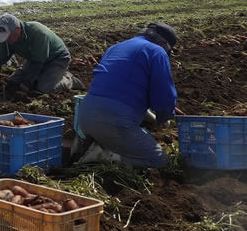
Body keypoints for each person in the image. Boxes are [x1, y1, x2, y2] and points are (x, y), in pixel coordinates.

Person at [74, 22, 180, 168]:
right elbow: (164, 95)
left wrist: (151, 118)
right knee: (159, 160)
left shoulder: (115, 48)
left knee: (126, 136)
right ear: (163, 43)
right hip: (113, 122)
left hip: (85, 117)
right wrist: (164, 117)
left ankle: (94, 144)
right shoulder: (157, 51)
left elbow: (120, 93)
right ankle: (102, 155)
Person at [0, 13, 83, 95]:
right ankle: (45, 77)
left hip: (57, 58)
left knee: (44, 88)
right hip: (34, 59)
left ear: (17, 30)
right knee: (13, 82)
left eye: (8, 36)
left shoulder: (38, 33)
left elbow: (38, 63)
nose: (6, 40)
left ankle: (68, 79)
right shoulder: (7, 41)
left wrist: (27, 83)